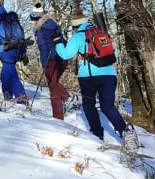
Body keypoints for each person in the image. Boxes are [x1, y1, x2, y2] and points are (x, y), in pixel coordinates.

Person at [56, 8, 136, 147]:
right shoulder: (102, 33)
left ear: (75, 26)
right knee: (108, 106)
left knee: (88, 104)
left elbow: (66, 55)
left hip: (88, 77)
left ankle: (97, 134)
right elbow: (114, 54)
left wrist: (57, 42)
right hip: (109, 75)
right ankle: (126, 133)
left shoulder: (78, 36)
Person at [30, 3, 69, 120]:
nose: (31, 22)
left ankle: (58, 116)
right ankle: (66, 99)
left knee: (53, 86)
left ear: (36, 19)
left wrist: (44, 65)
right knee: (55, 83)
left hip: (51, 59)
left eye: (32, 19)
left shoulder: (40, 29)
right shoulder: (54, 24)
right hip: (62, 56)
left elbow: (43, 48)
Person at [0, 1, 28, 104]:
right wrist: (23, 53)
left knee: (8, 75)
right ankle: (10, 96)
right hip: (17, 49)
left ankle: (20, 99)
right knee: (9, 73)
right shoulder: (11, 18)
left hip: (5, 50)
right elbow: (20, 36)